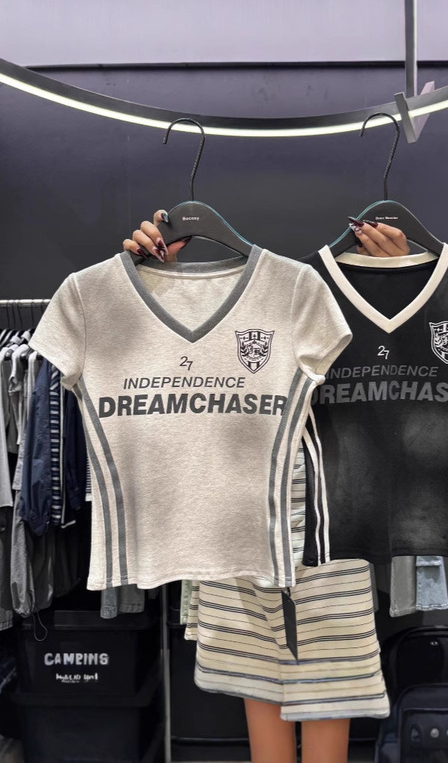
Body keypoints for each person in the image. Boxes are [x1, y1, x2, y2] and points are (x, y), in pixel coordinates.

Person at [123, 212, 410, 763]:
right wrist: (149, 284)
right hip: (235, 512)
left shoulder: (344, 295)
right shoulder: (212, 304)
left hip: (329, 511)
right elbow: (144, 376)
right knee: (260, 692)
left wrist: (400, 282)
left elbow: (403, 393)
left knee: (326, 695)